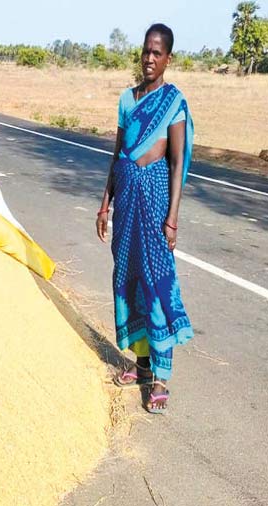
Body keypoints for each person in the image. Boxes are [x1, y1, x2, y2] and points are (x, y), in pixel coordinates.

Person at [97, 24, 194, 414]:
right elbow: (118, 154)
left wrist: (172, 218)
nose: (150, 59)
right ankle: (140, 366)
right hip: (126, 203)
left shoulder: (174, 102)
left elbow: (176, 163)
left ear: (169, 58)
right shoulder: (126, 99)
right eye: (145, 52)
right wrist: (105, 203)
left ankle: (161, 376)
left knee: (155, 282)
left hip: (155, 203)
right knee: (129, 279)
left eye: (158, 53)